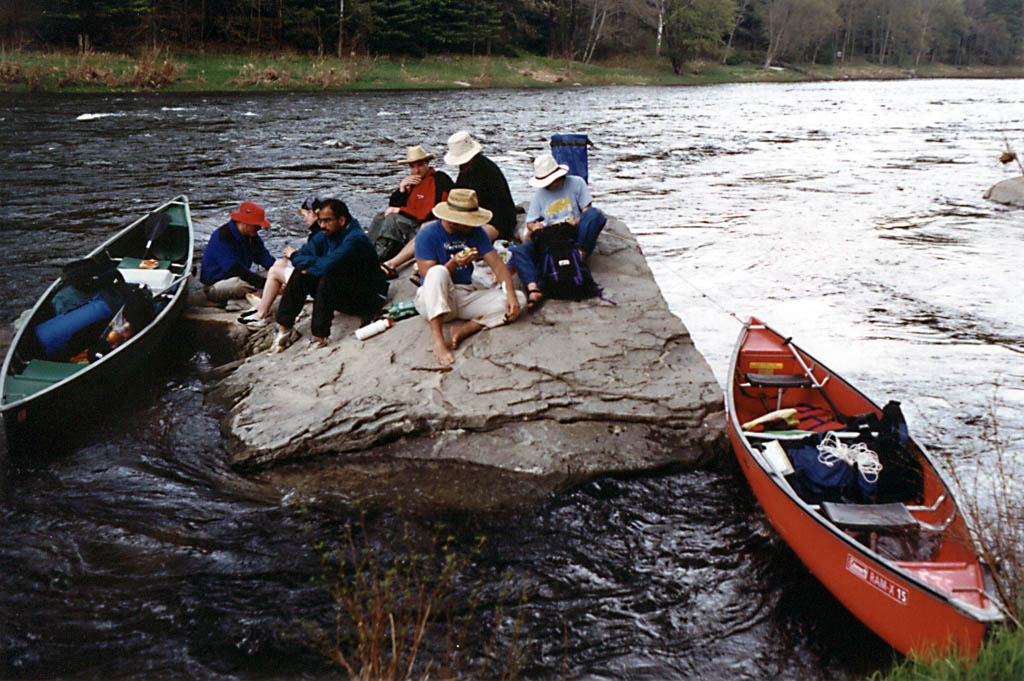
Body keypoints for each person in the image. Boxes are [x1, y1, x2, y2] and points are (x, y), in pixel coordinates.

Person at [413, 188, 524, 366]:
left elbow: (497, 265)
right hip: (433, 299)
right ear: (453, 219)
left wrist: (510, 293)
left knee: (518, 299)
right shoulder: (428, 234)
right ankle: (437, 337)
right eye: (468, 222)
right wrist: (454, 263)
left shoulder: (476, 233)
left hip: (464, 295)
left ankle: (464, 329)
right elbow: (428, 278)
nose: (472, 226)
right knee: (438, 272)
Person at [268, 198, 388, 353]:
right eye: (320, 221)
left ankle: (319, 336)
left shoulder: (355, 239)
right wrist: (305, 261)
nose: (322, 226)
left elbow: (326, 266)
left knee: (328, 275)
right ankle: (284, 328)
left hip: (369, 297)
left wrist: (298, 258)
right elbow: (305, 253)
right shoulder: (326, 233)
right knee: (301, 274)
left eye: (327, 221)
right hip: (346, 290)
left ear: (342, 220)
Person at [510, 153, 607, 311]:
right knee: (520, 251)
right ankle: (533, 289)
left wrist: (575, 222)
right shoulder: (540, 195)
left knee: (595, 215)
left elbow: (587, 210)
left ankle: (579, 256)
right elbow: (530, 222)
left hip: (573, 233)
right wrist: (536, 228)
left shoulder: (576, 183)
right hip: (551, 238)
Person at [366, 145, 453, 279]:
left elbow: (429, 212)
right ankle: (367, 249)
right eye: (412, 167)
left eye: (420, 165)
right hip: (414, 221)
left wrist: (400, 210)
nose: (416, 170)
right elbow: (394, 205)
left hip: (428, 225)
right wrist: (402, 188)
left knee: (392, 219)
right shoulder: (412, 181)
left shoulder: (439, 179)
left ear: (427, 163)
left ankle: (377, 258)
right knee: (380, 216)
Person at [238, 195, 322, 328]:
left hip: (315, 283)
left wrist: (294, 255)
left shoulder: (319, 234)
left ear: (313, 214)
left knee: (274, 272)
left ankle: (260, 315)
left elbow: (313, 262)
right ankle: (261, 305)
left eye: (305, 214)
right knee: (279, 263)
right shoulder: (320, 231)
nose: (303, 218)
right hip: (316, 276)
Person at [444, 131, 517, 242]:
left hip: (497, 220)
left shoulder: (485, 171)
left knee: (466, 241)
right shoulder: (466, 169)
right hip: (474, 218)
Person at [200, 201, 275, 303]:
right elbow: (234, 269)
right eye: (257, 226)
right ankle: (266, 291)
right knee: (238, 285)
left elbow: (263, 256)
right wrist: (264, 283)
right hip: (217, 284)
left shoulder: (252, 236)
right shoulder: (223, 237)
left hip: (241, 277)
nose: (259, 228)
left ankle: (266, 290)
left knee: (274, 273)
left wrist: (276, 269)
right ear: (245, 223)